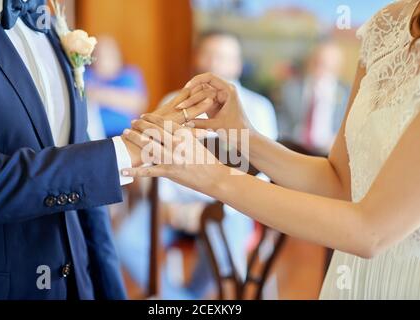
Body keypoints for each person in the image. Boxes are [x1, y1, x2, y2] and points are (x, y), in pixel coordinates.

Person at [123, 0, 420, 299]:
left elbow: (371, 232)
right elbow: (339, 182)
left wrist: (215, 177)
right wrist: (243, 136)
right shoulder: (387, 25)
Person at [0, 0, 206, 300]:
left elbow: (76, 157)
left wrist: (108, 285)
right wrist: (123, 152)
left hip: (77, 280)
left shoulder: (52, 26)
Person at [115, 30, 278, 299]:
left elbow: (261, 176)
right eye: (210, 55)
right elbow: (154, 156)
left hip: (231, 209)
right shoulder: (171, 102)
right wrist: (168, 207)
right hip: (171, 206)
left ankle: (178, 299)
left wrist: (211, 209)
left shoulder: (259, 108)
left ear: (237, 64)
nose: (216, 64)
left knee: (221, 263)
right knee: (126, 242)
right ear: (197, 59)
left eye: (224, 57)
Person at [279, 41, 349, 153]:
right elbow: (281, 121)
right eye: (317, 62)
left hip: (329, 152)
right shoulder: (291, 88)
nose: (320, 68)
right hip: (294, 149)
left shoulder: (346, 93)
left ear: (337, 68)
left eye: (325, 65)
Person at [86, 36, 147, 139]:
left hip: (123, 135)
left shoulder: (129, 75)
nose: (103, 60)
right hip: (92, 135)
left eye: (109, 55)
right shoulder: (86, 74)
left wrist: (98, 94)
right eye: (99, 55)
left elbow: (137, 103)